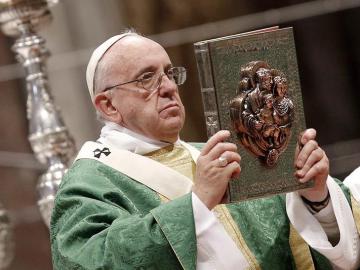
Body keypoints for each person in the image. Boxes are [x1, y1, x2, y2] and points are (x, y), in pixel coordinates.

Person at [50, 30, 360, 270]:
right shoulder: (88, 184)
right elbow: (89, 262)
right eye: (147, 78)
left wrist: (315, 196)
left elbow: (302, 242)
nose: (170, 87)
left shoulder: (224, 156)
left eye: (170, 74)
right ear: (108, 104)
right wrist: (197, 204)